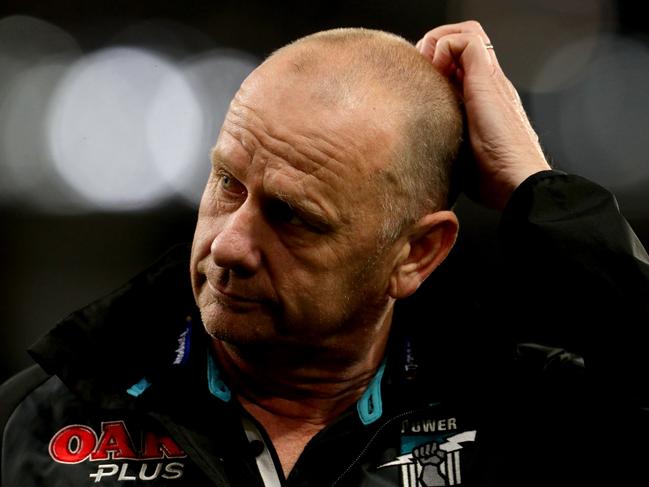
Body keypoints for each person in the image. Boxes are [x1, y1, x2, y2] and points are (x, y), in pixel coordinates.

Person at [1, 20, 648, 487]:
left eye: (293, 217)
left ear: (417, 252)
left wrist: (538, 191)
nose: (228, 244)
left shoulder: (534, 419)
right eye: (228, 182)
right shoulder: (37, 418)